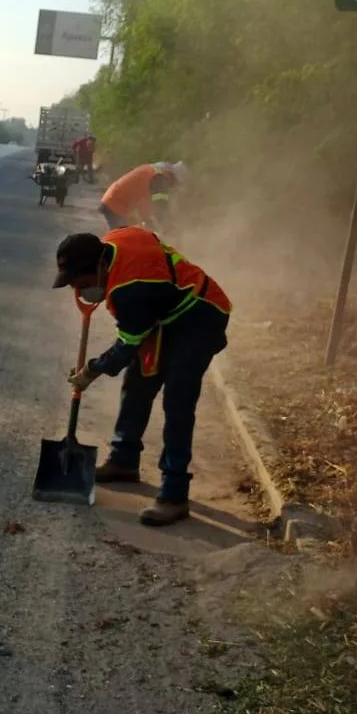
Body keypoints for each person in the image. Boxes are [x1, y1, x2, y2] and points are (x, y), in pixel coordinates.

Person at [51, 226, 231, 526]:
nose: (79, 291)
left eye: (80, 282)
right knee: (137, 382)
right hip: (164, 311)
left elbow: (126, 348)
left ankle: (174, 496)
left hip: (201, 314)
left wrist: (91, 371)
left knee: (177, 401)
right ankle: (124, 460)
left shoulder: (130, 290)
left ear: (100, 266)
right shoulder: (111, 243)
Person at [99, 160, 187, 232]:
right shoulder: (159, 178)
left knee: (130, 238)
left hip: (116, 200)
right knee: (123, 239)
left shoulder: (153, 173)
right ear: (173, 177)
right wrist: (168, 228)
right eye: (176, 183)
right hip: (116, 202)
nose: (173, 187)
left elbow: (145, 205)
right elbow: (161, 207)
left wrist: (150, 224)